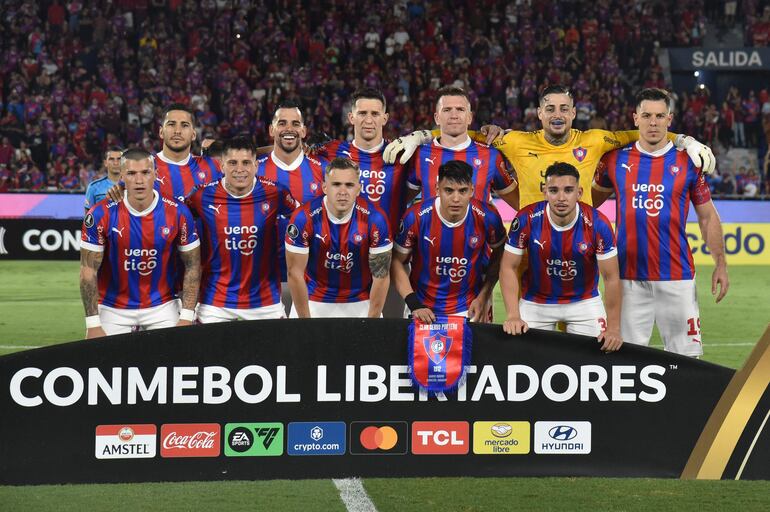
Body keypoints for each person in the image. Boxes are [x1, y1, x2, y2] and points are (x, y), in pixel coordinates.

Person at [384, 84, 716, 208]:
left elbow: (643, 132)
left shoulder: (597, 140)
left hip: (580, 242)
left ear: (574, 113)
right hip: (530, 243)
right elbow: (456, 131)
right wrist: (420, 136)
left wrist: (685, 140)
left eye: (564, 109)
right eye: (550, 109)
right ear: (539, 113)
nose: (557, 115)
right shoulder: (513, 140)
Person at [592, 88, 729, 357]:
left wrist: (721, 264)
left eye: (659, 116)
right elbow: (588, 206)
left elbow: (707, 216)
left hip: (676, 277)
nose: (653, 122)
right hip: (626, 278)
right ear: (635, 118)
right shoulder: (614, 160)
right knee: (624, 360)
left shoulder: (689, 163)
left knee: (686, 362)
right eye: (646, 115)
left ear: (670, 119)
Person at [500, 162, 622, 352]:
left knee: (597, 359)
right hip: (536, 301)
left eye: (568, 190)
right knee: (522, 357)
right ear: (545, 192)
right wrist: (513, 315)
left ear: (579, 193)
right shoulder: (526, 218)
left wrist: (614, 328)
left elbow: (611, 277)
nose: (561, 198)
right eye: (554, 190)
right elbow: (508, 267)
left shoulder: (598, 223)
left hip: (584, 301)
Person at [79, 148, 201, 338]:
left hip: (162, 306)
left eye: (145, 172)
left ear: (155, 174)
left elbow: (192, 265)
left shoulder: (178, 212)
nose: (139, 180)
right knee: (102, 364)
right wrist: (93, 323)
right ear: (121, 176)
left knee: (175, 362)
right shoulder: (100, 214)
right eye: (131, 173)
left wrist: (186, 316)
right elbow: (88, 269)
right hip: (113, 307)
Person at [313, 87, 409, 318]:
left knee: (386, 337)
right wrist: (220, 150)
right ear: (351, 117)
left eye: (375, 114)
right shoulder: (331, 152)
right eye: (362, 113)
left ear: (385, 118)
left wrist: (422, 135)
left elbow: (442, 143)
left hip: (387, 262)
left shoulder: (402, 153)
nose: (368, 120)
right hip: (340, 261)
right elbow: (288, 153)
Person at [186, 137, 298, 322]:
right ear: (222, 166)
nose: (239, 169)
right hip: (215, 302)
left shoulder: (276, 193)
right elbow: (171, 213)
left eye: (246, 163)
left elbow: (304, 218)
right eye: (232, 163)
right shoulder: (201, 195)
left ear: (256, 165)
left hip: (265, 302)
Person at [391, 160, 506, 321]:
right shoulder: (415, 217)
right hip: (422, 309)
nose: (456, 198)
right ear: (437, 189)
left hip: (470, 309)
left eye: (463, 191)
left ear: (472, 190)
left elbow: (500, 252)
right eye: (449, 190)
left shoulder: (488, 216)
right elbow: (396, 261)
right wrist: (414, 304)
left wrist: (484, 296)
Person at [285, 157, 392, 318]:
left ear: (359, 188)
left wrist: (373, 323)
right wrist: (305, 324)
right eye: (336, 184)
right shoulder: (303, 217)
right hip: (313, 300)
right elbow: (295, 274)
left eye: (349, 185)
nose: (343, 192)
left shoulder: (376, 219)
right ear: (325, 187)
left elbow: (381, 276)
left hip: (360, 301)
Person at [256, 102, 327, 310]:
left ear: (304, 131)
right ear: (271, 130)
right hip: (262, 284)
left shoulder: (323, 170)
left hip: (312, 284)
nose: (289, 129)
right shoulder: (251, 171)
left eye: (295, 124)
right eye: (282, 123)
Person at [400, 85, 518, 208]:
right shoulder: (420, 154)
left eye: (460, 109)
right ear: (437, 118)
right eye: (447, 110)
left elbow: (520, 203)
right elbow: (397, 202)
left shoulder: (491, 155)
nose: (454, 115)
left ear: (470, 117)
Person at [154, 103, 222, 202]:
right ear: (161, 132)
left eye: (184, 125)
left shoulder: (213, 166)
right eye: (171, 124)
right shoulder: (145, 168)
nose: (177, 131)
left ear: (194, 134)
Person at [83, 146, 122, 212]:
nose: (116, 163)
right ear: (105, 163)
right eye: (111, 159)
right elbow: (88, 217)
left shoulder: (133, 186)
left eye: (119, 159)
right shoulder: (94, 187)